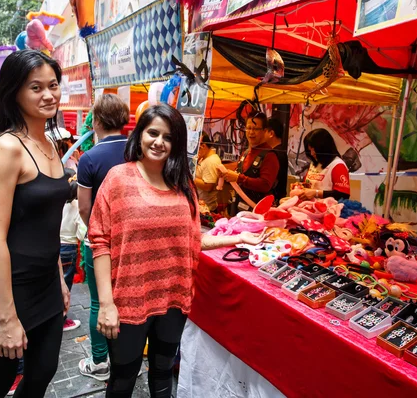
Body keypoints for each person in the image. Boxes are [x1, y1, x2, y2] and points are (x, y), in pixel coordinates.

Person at [89, 104, 268, 398]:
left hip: (174, 299)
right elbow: (100, 241)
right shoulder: (118, 179)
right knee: (123, 380)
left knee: (162, 376)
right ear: (140, 135)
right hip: (130, 302)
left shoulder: (182, 184)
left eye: (168, 137)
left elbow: (192, 239)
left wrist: (239, 238)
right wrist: (107, 304)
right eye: (153, 133)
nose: (159, 142)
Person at [0, 49, 70, 398]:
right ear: (14, 92)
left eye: (53, 85)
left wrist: (59, 279)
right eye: (36, 87)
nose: (48, 95)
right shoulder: (7, 147)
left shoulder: (50, 143)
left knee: (42, 374)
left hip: (46, 289)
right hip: (7, 293)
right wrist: (7, 319)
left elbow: (48, 224)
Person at [77, 93, 129, 381]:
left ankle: (100, 363)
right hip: (131, 241)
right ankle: (125, 357)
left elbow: (84, 207)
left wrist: (98, 231)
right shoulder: (137, 151)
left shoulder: (89, 158)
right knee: (128, 298)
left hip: (100, 243)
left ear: (96, 121)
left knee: (99, 301)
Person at [220, 112, 279, 213]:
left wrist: (239, 178)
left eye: (256, 129)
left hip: (257, 213)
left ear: (265, 131)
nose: (251, 132)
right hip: (239, 210)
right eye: (248, 128)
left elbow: (265, 185)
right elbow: (239, 174)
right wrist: (226, 175)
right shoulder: (246, 153)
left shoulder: (270, 156)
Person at [293, 128, 350, 200]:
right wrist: (300, 186)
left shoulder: (338, 165)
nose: (312, 153)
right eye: (310, 150)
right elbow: (308, 183)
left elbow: (343, 195)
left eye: (314, 150)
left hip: (329, 209)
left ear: (324, 148)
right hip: (310, 207)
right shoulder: (315, 163)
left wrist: (316, 193)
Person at [60, 167, 82, 332]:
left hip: (55, 246)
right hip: (69, 248)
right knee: (65, 286)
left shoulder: (55, 202)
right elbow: (81, 233)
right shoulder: (76, 206)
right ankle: (62, 319)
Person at [194, 133, 222, 211]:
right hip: (199, 205)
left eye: (196, 148)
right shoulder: (204, 157)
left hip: (207, 208)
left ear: (203, 146)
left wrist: (190, 177)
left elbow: (208, 186)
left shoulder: (211, 161)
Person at [267, 117, 288, 202]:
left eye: (263, 131)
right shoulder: (280, 151)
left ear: (271, 133)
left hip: (274, 199)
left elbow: (273, 181)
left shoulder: (275, 154)